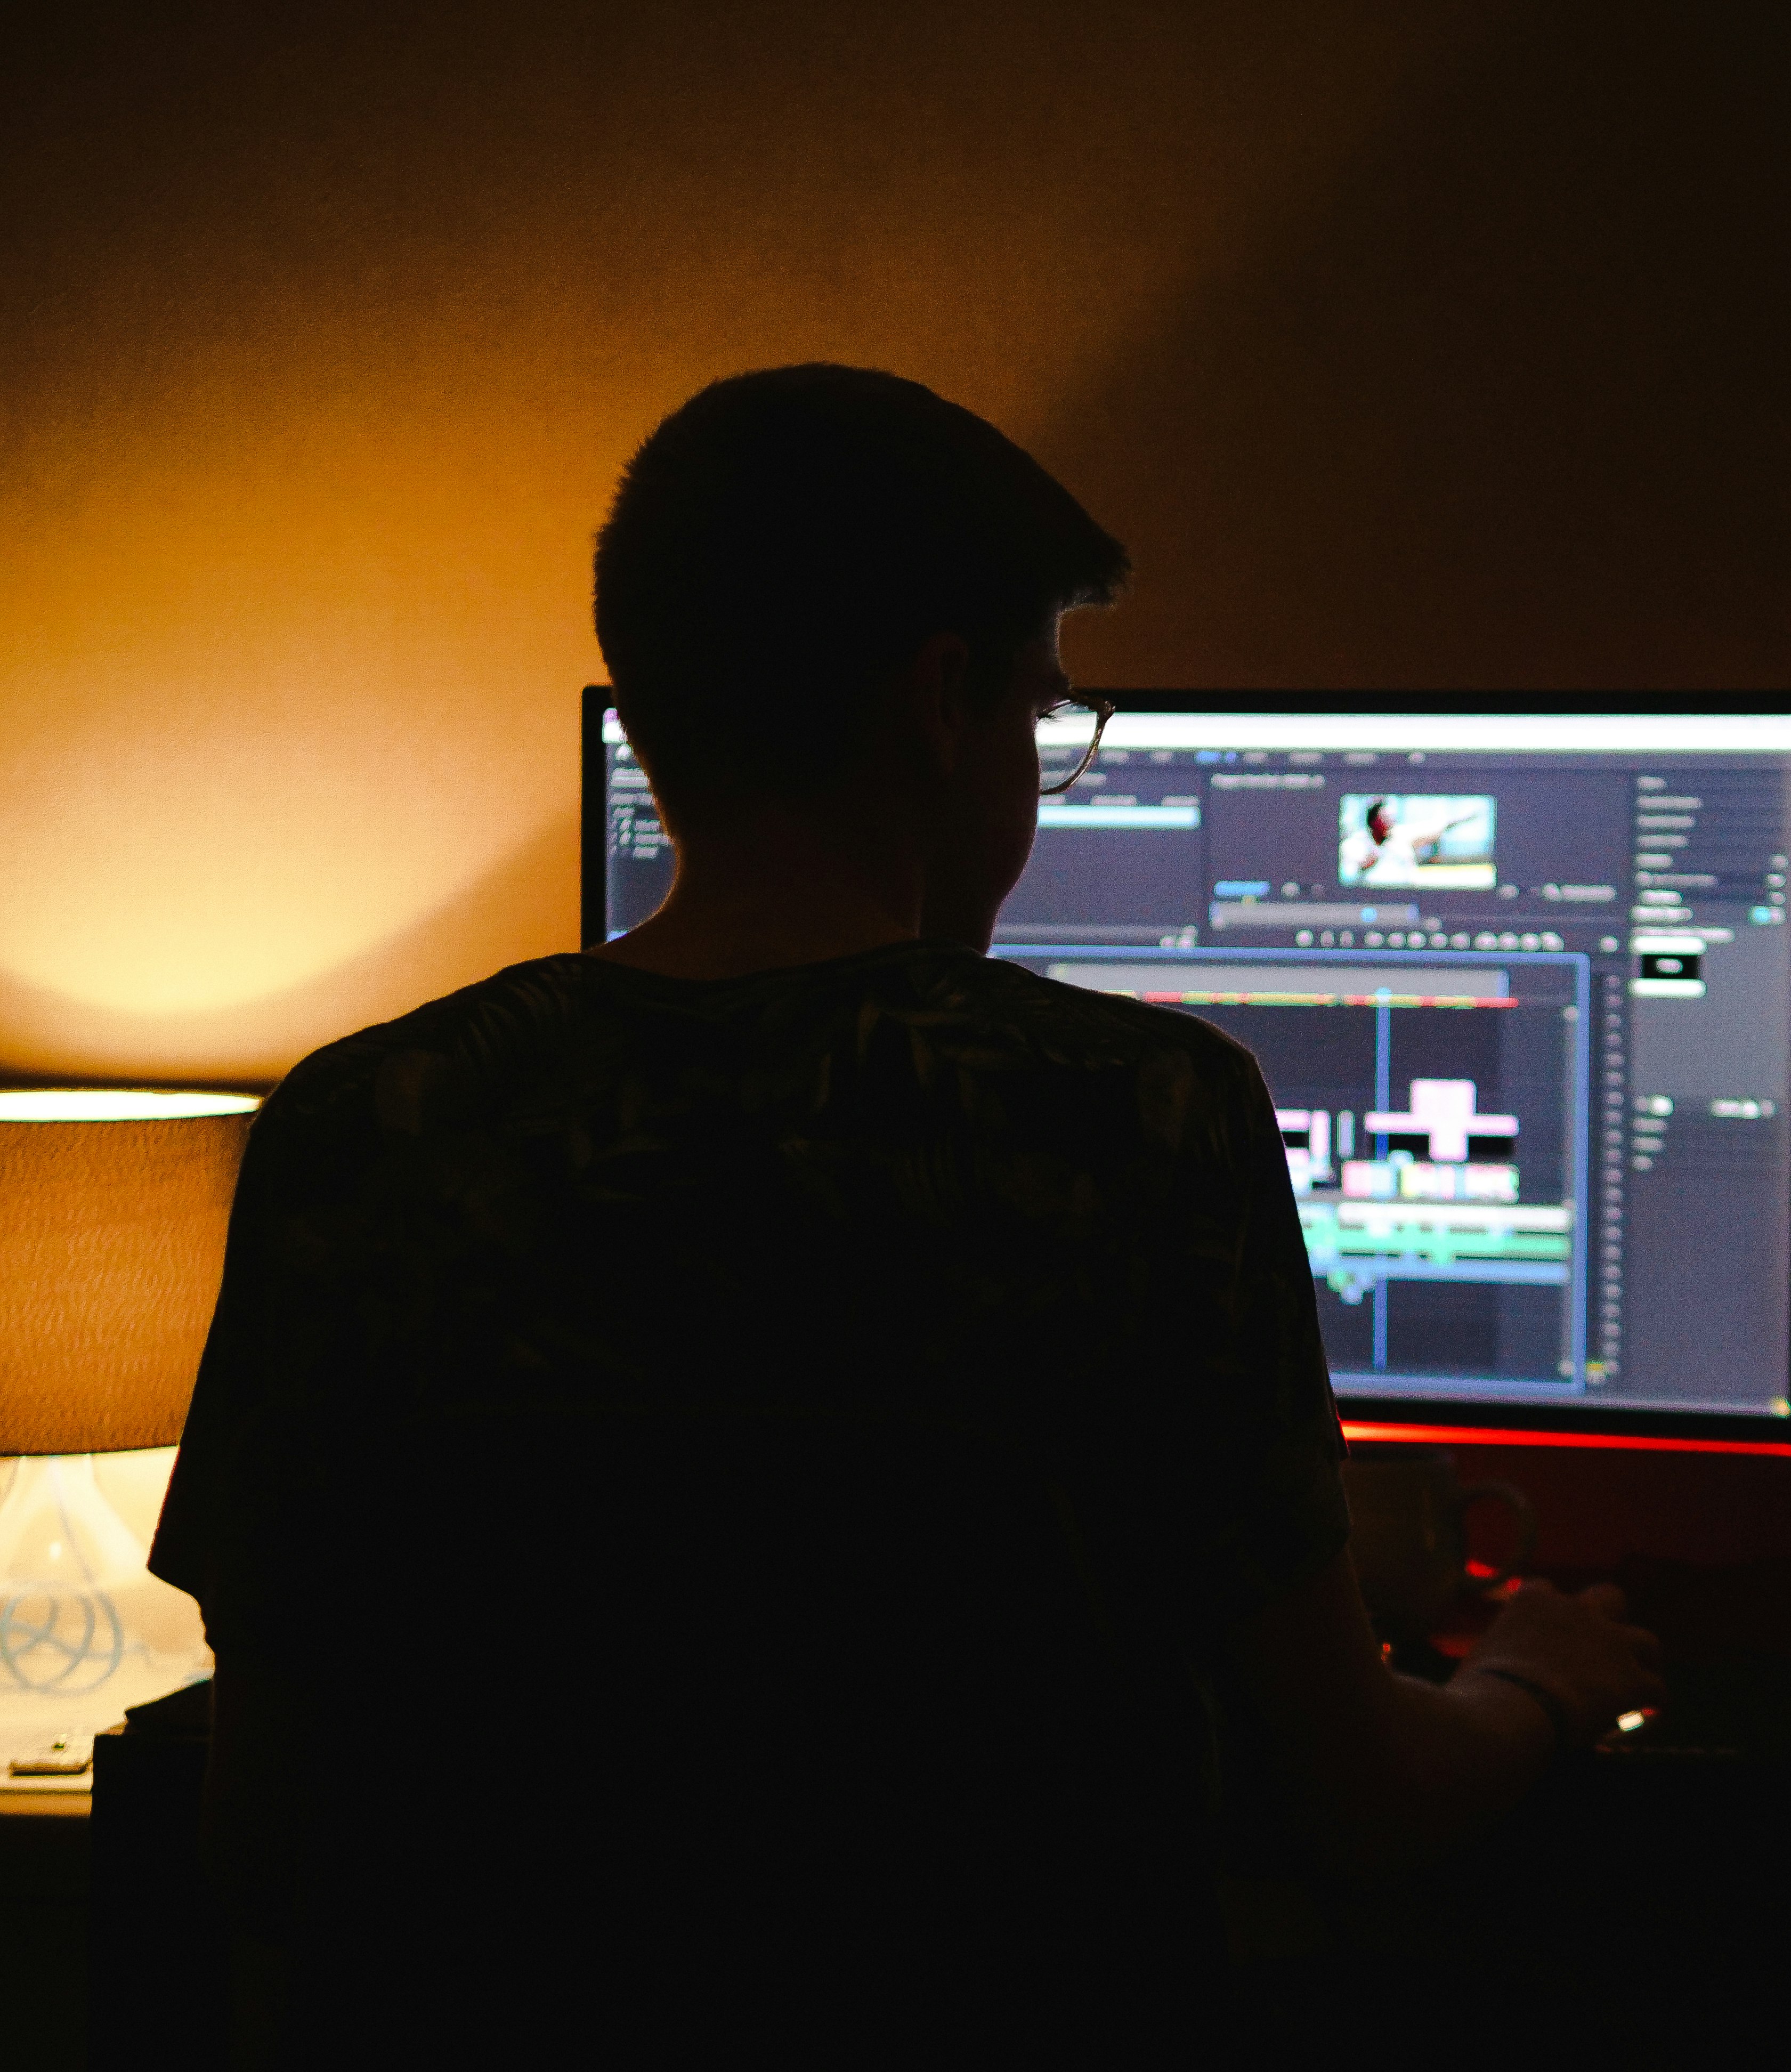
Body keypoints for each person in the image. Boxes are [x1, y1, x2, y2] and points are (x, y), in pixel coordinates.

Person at [150, 365, 1662, 2050]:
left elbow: (261, 1844)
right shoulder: (1135, 1115)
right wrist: (1536, 1678)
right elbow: (1363, 1809)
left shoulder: (366, 1122)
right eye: (1044, 715)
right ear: (944, 703)